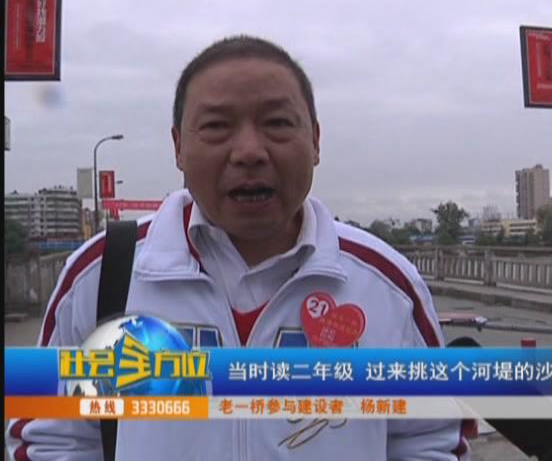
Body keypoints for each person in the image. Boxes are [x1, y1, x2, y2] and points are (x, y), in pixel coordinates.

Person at [6, 35, 473, 460]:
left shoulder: (385, 284)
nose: (249, 151)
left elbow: (431, 442)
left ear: (315, 140)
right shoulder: (105, 274)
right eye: (216, 126)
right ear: (178, 147)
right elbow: (49, 439)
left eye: (277, 123)